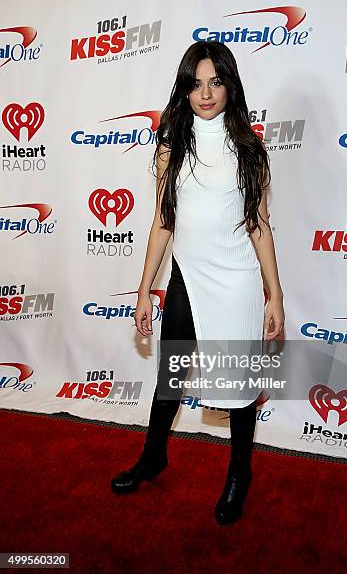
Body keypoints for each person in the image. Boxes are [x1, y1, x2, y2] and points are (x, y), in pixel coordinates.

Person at [111, 40, 284, 525]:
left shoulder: (249, 148)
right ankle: (153, 456)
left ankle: (239, 474)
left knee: (239, 383)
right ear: (185, 89)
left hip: (238, 282)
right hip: (188, 275)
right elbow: (162, 222)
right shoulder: (172, 145)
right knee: (170, 375)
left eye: (215, 81)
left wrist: (276, 294)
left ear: (229, 85)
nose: (206, 93)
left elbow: (260, 225)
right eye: (196, 83)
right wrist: (145, 287)